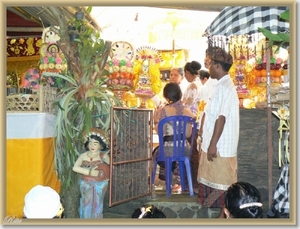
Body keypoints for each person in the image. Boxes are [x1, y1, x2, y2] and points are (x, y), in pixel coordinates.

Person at [197, 46, 239, 208]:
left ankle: (223, 217)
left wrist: (213, 143)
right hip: (213, 142)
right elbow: (212, 113)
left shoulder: (227, 88)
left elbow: (221, 118)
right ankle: (219, 216)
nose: (207, 69)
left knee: (224, 185)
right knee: (213, 180)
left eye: (210, 65)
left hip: (221, 145)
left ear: (217, 66)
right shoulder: (219, 85)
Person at [153, 82, 194, 191]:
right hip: (185, 149)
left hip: (168, 150)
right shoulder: (188, 111)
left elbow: (160, 133)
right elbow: (188, 134)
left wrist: (155, 123)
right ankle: (178, 180)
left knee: (155, 153)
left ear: (166, 96)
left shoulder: (164, 110)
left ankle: (167, 180)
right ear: (180, 94)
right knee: (175, 153)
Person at [73, 128, 110, 218]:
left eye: (95, 143)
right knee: (86, 203)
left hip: (100, 184)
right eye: (90, 143)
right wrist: (90, 172)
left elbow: (110, 167)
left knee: (97, 204)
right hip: (86, 183)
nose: (92, 145)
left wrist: (101, 174)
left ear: (100, 146)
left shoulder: (103, 156)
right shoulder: (83, 156)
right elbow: (75, 168)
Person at [181, 60, 202, 193]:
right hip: (198, 121)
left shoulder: (192, 86)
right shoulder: (201, 84)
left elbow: (186, 106)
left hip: (190, 123)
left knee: (191, 153)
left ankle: (192, 183)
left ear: (188, 73)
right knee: (195, 152)